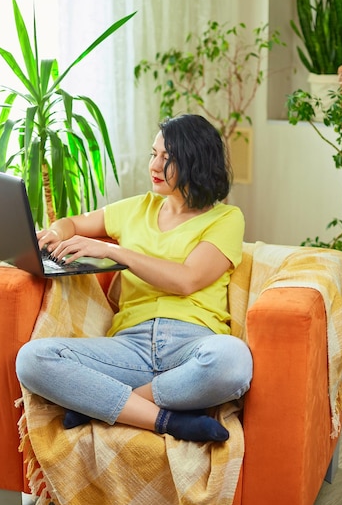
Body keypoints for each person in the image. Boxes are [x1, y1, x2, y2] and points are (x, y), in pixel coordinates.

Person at [16, 114, 253, 443]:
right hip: (131, 348)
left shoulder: (226, 218)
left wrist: (115, 251)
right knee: (32, 359)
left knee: (233, 360)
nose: (154, 166)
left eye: (167, 158)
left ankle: (102, 404)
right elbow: (73, 223)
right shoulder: (137, 208)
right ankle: (170, 420)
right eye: (153, 154)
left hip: (194, 345)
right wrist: (54, 233)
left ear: (196, 162)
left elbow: (187, 279)